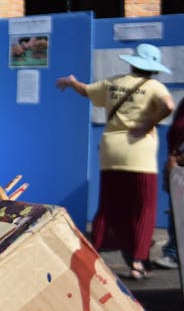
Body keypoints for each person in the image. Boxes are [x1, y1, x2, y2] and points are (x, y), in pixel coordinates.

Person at [56, 43, 174, 279]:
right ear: (153, 68)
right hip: (139, 153)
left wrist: (70, 82)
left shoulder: (114, 83)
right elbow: (168, 106)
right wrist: (148, 124)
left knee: (108, 206)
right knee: (144, 208)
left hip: (111, 149)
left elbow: (85, 90)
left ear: (133, 63)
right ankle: (138, 262)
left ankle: (93, 254)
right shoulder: (154, 86)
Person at [155, 98, 184, 269]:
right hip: (177, 165)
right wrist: (172, 160)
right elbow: (175, 134)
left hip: (179, 163)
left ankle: (174, 253)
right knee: (176, 210)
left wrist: (177, 159)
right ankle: (174, 251)